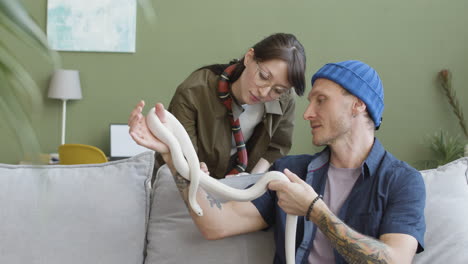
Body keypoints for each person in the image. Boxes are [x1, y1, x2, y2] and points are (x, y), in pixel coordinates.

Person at [128, 60, 426, 264]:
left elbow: (394, 260)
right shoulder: (291, 172)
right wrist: (172, 154)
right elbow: (216, 225)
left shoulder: (402, 181)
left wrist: (314, 210)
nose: (307, 113)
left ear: (358, 105)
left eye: (320, 100)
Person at [141, 33, 307, 179]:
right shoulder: (195, 91)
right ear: (249, 57)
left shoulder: (283, 99)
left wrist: (251, 180)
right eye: (263, 76)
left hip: (238, 187)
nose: (264, 93)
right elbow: (183, 156)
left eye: (277, 90)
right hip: (180, 181)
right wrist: (197, 171)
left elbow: (276, 147)